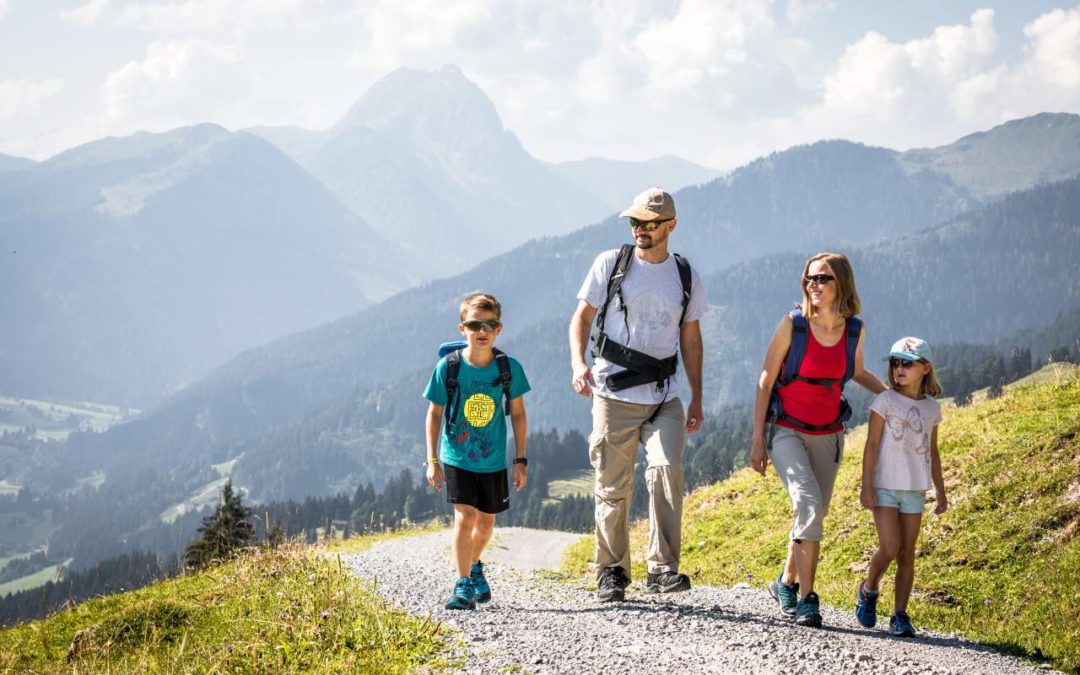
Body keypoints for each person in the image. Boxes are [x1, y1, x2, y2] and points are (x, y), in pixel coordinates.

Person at [569, 186, 706, 602]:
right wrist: (578, 364)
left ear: (671, 226)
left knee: (668, 473)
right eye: (635, 222)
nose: (639, 230)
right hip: (614, 392)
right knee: (613, 486)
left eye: (649, 224)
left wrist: (697, 396)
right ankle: (611, 571)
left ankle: (662, 570)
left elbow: (692, 339)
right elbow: (582, 317)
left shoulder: (685, 276)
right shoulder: (611, 264)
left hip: (665, 394)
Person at [749, 251, 886, 627]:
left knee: (813, 513)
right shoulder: (793, 325)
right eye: (809, 278)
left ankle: (785, 582)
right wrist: (758, 440)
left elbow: (855, 371)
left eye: (822, 278)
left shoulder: (854, 330)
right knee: (808, 504)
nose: (813, 285)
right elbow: (765, 380)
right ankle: (808, 598)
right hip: (787, 430)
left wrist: (892, 395)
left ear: (841, 283)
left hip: (829, 434)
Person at [424, 292, 530, 610]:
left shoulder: (508, 368)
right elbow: (434, 414)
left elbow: (519, 414)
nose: (481, 331)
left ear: (499, 329)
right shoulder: (449, 367)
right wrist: (432, 460)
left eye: (489, 324)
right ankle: (461, 585)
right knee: (465, 517)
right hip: (456, 456)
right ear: (462, 329)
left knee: (485, 524)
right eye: (474, 324)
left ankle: (474, 567)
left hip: (493, 458)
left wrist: (520, 460)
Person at [855, 337, 947, 637]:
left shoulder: (932, 409)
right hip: (884, 486)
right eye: (895, 363)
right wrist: (866, 484)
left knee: (908, 553)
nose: (899, 369)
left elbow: (932, 451)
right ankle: (869, 589)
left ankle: (899, 615)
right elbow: (871, 445)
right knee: (891, 547)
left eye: (907, 363)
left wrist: (941, 490)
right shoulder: (884, 402)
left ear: (925, 368)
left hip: (915, 489)